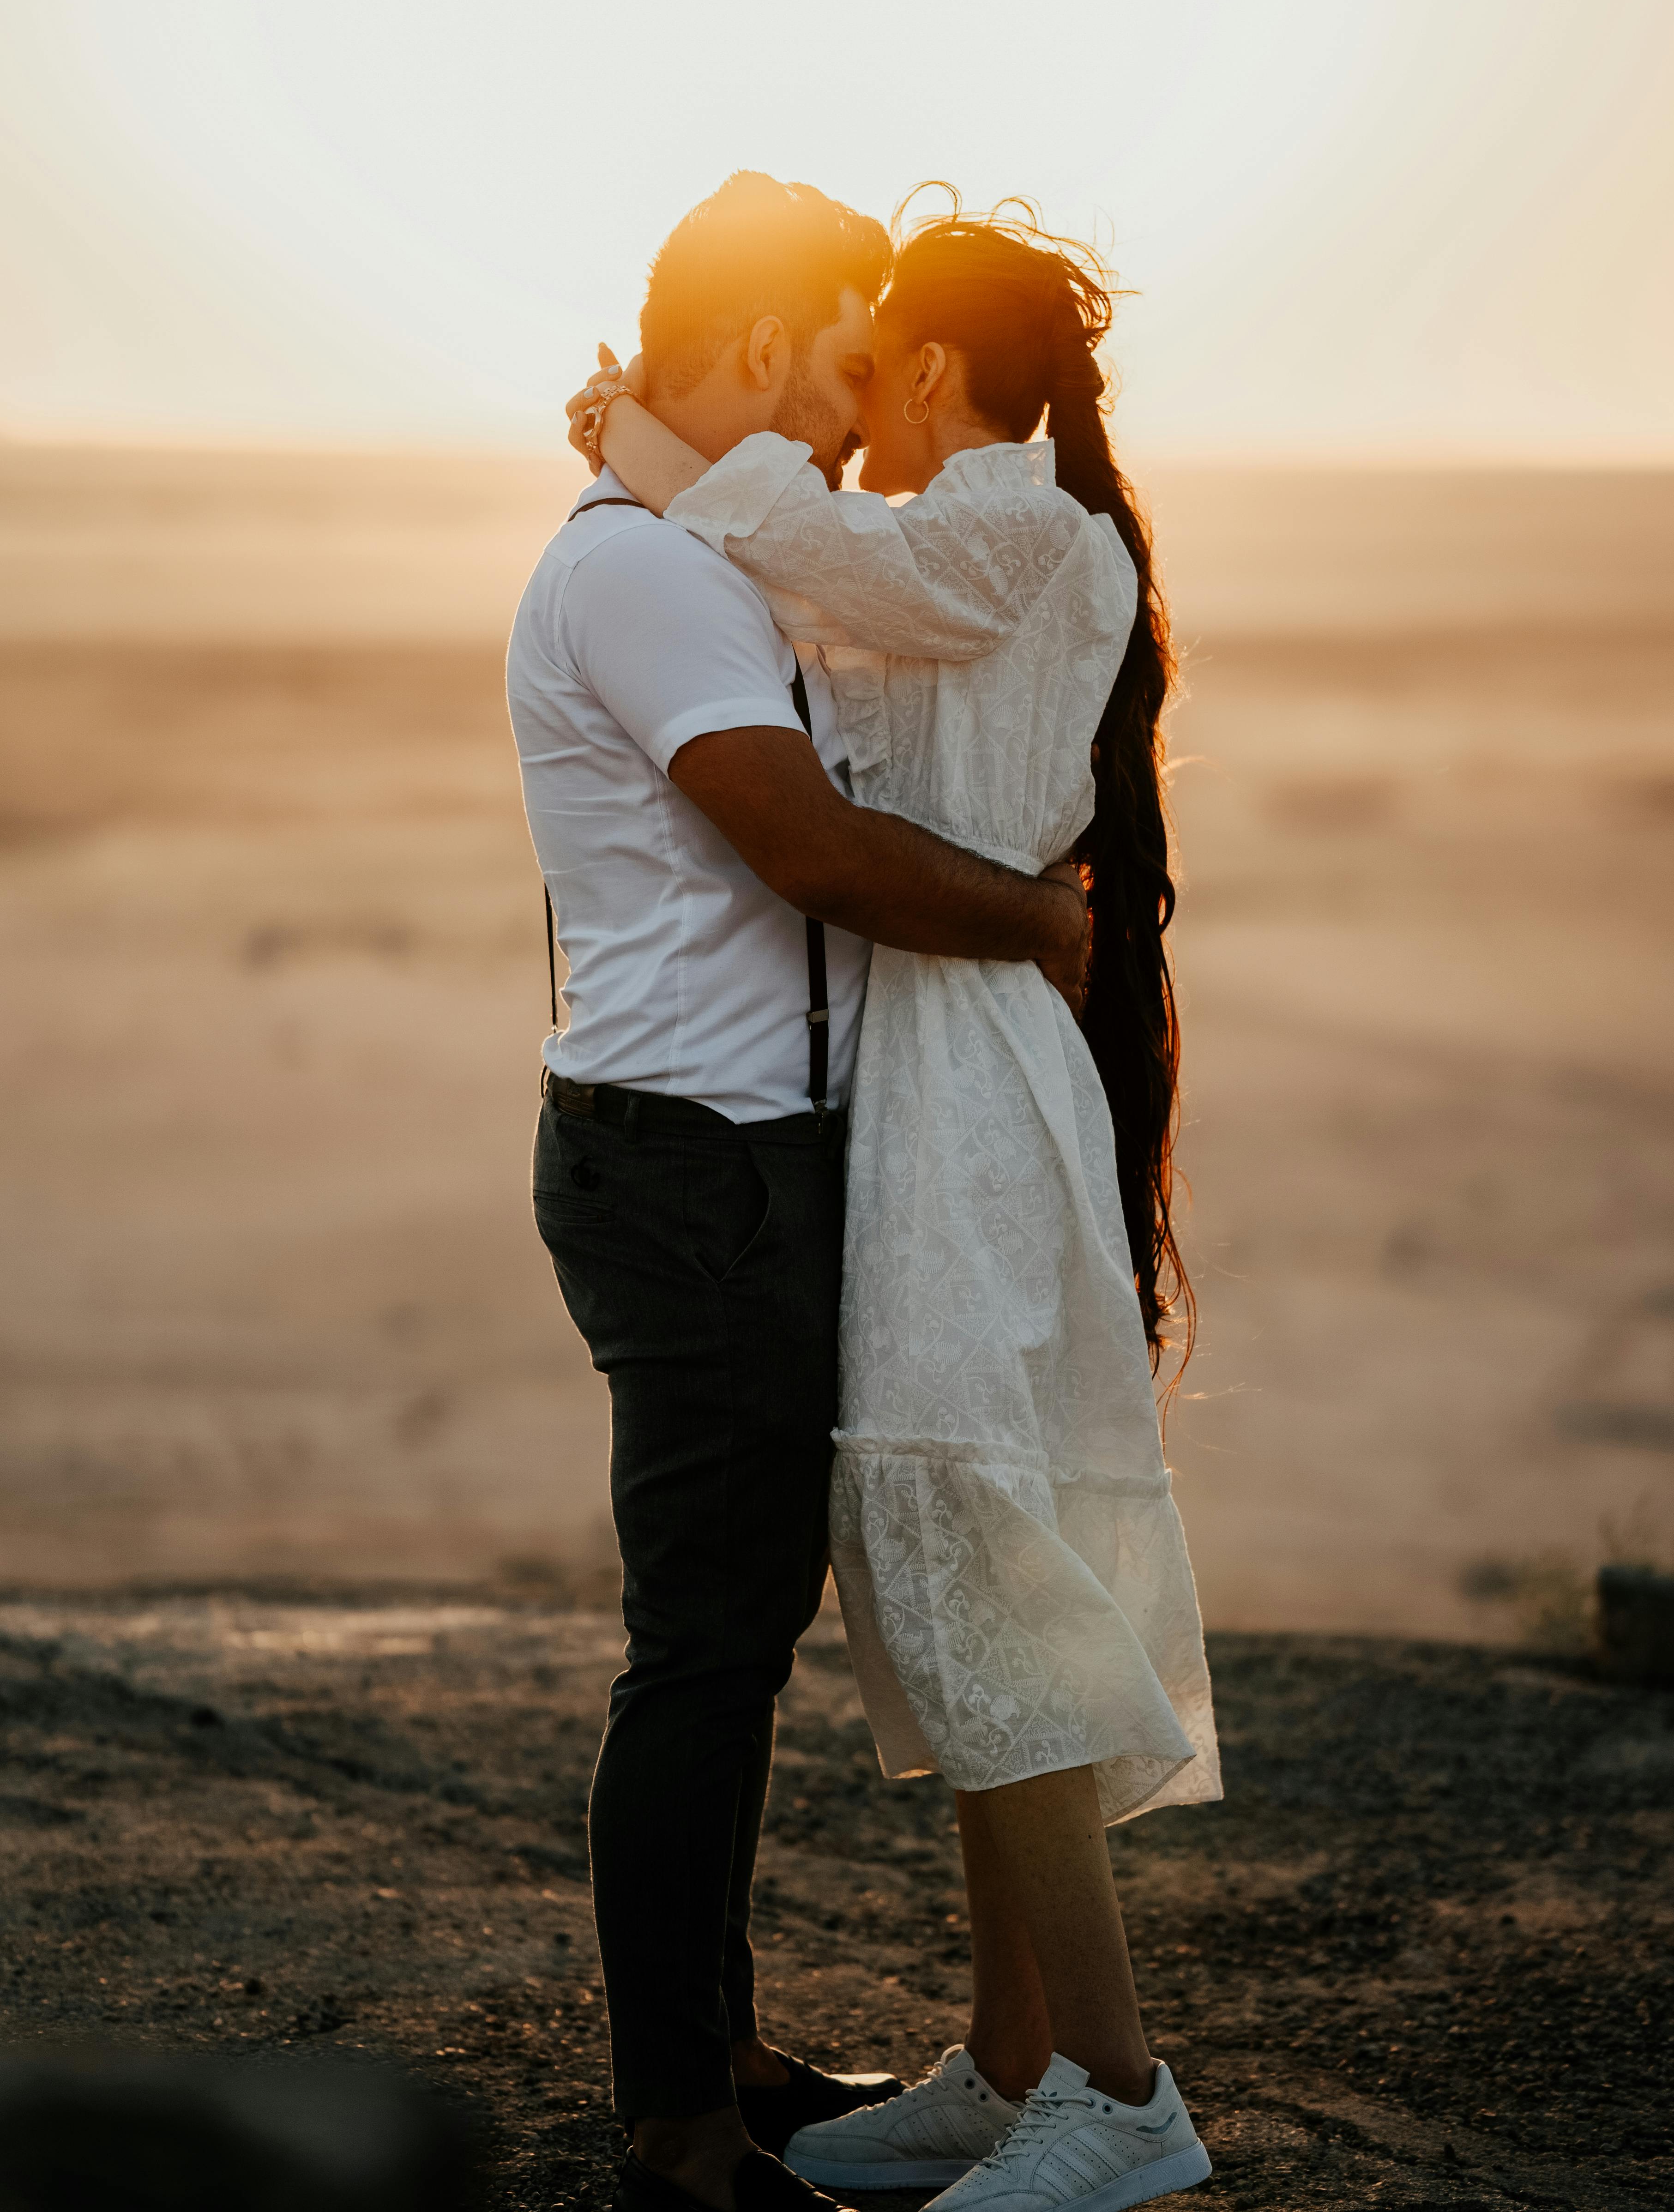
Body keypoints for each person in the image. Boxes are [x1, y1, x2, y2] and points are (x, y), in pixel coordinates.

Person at [575, 196, 1221, 2212]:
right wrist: (666, 466)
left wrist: (653, 446)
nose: (853, 411)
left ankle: (1116, 2100)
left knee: (975, 1548)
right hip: (931, 1076)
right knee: (957, 1554)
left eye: (874, 369)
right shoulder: (968, 551)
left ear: (934, 371)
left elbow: (814, 553)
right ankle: (1016, 2063)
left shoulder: (1012, 529)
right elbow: (802, 602)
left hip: (962, 1084)